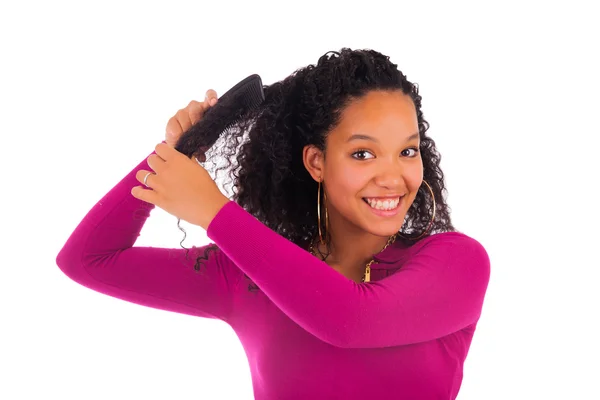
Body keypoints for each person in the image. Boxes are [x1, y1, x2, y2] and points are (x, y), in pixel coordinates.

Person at [56, 48, 491, 400]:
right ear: (316, 162)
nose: (393, 177)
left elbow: (351, 319)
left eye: (408, 151)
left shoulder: (456, 263)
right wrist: (176, 153)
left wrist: (215, 212)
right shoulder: (246, 275)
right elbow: (88, 259)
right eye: (363, 153)